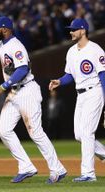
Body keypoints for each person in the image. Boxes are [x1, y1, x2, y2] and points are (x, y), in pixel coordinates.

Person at [0, 16, 67, 183]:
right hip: (15, 92)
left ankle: (57, 169)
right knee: (3, 130)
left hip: (27, 90)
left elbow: (23, 69)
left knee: (36, 132)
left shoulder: (16, 46)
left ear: (5, 29)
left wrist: (3, 85)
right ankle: (26, 167)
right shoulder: (0, 44)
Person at [49, 18, 105, 182]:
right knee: (79, 135)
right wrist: (60, 81)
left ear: (83, 30)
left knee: (87, 133)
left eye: (74, 29)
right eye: (70, 29)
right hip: (80, 95)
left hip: (95, 92)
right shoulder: (71, 51)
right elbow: (70, 75)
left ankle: (88, 174)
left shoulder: (96, 50)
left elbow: (103, 76)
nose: (71, 32)